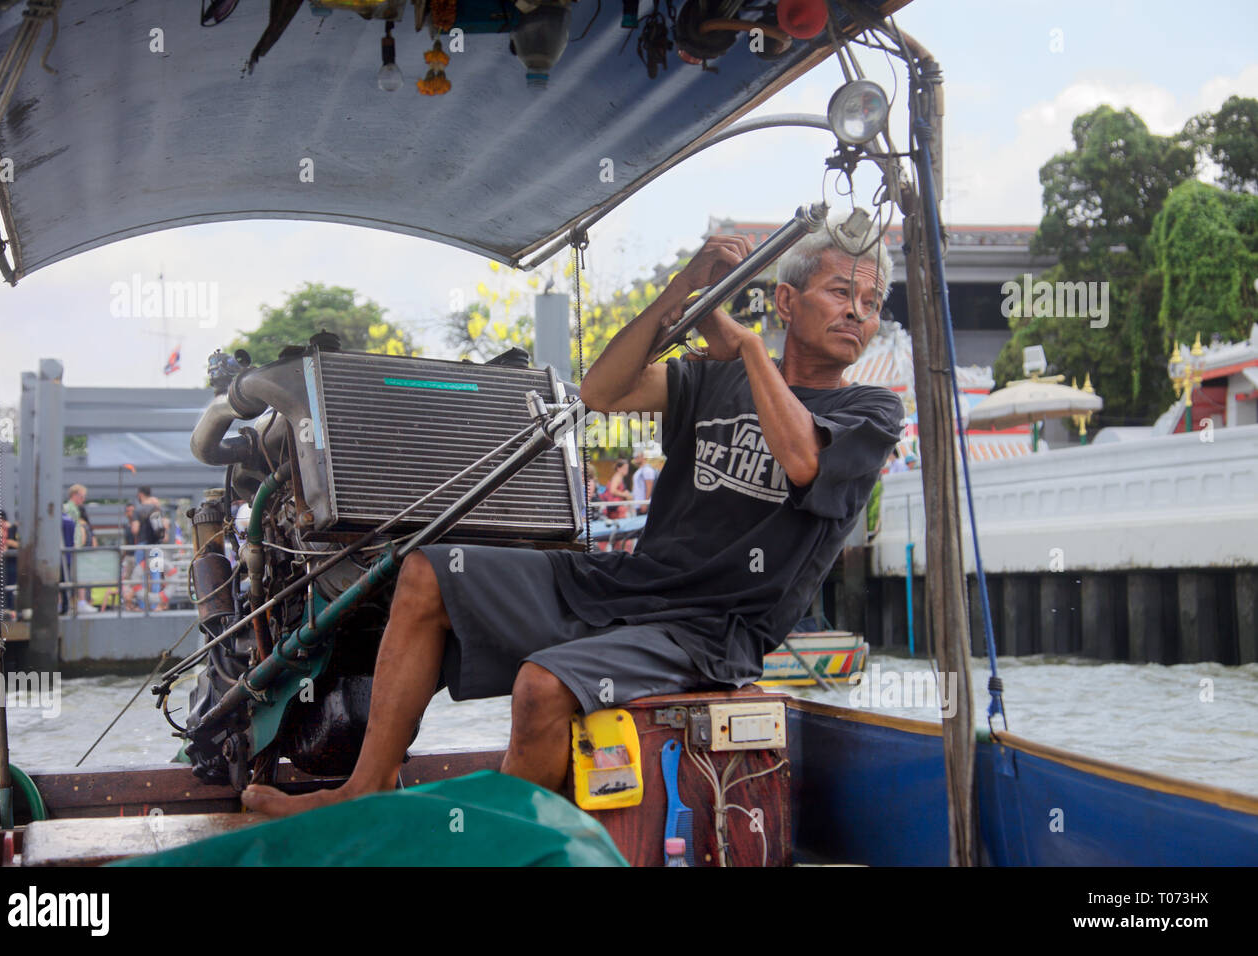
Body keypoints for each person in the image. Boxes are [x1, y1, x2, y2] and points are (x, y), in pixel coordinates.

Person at [242, 218, 904, 817]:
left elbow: (802, 462)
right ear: (787, 302)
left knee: (542, 686)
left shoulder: (870, 413)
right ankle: (366, 787)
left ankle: (508, 850)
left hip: (713, 629)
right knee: (426, 573)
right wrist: (687, 285)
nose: (858, 313)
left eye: (871, 304)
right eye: (842, 293)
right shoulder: (712, 379)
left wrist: (754, 351)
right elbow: (599, 391)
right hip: (629, 584)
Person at [63, 484, 95, 613]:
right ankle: (81, 602)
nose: (83, 500)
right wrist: (76, 545)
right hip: (72, 548)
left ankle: (74, 603)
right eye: (82, 497)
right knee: (79, 574)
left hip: (70, 547)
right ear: (74, 495)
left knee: (70, 576)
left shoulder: (69, 508)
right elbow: (73, 530)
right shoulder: (71, 509)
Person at [630, 449, 658, 516]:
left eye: (637, 456)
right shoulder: (639, 471)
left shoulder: (647, 470)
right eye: (635, 457)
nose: (635, 458)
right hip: (638, 504)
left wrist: (645, 503)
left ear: (643, 457)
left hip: (644, 504)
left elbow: (649, 487)